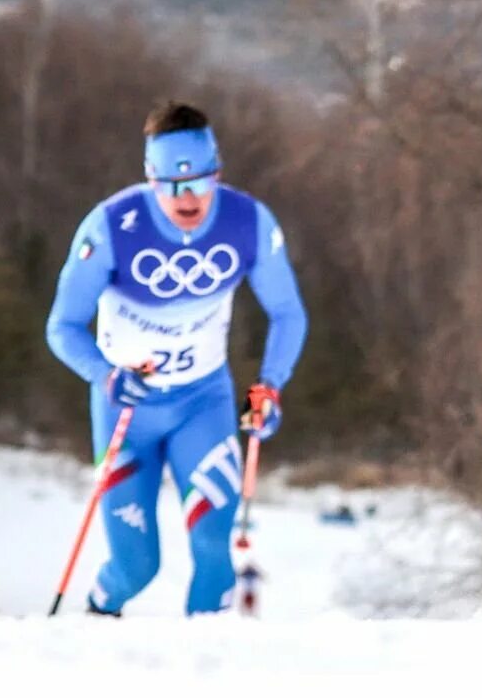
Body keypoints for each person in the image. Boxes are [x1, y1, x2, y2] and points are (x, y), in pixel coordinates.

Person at [46, 101, 308, 615]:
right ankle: (93, 625)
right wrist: (104, 375)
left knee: (214, 548)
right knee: (136, 568)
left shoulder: (247, 222)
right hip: (126, 414)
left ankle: (203, 669)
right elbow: (62, 326)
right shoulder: (110, 228)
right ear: (151, 179)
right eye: (171, 185)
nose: (186, 198)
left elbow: (287, 313)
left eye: (199, 182)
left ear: (218, 172)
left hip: (201, 405)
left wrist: (269, 386)